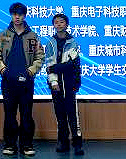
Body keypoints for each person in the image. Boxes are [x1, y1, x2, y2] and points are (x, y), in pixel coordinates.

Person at [0, 2, 44, 157]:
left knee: (26, 114)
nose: (17, 17)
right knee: (9, 114)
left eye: (20, 14)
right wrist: (3, 70)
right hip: (8, 82)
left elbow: (40, 57)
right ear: (11, 15)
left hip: (27, 82)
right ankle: (10, 145)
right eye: (15, 14)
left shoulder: (33, 36)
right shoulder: (3, 35)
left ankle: (27, 145)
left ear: (24, 16)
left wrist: (31, 71)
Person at [44, 13, 84, 156]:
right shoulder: (50, 43)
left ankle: (77, 143)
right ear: (53, 25)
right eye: (56, 22)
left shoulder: (73, 42)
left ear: (66, 24)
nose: (59, 24)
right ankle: (63, 141)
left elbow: (73, 64)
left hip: (69, 82)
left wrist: (57, 68)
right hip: (56, 84)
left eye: (62, 22)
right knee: (60, 114)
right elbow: (49, 65)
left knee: (73, 114)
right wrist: (53, 81)